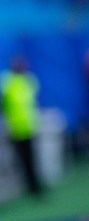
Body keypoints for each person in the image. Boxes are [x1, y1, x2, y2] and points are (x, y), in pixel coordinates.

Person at [1, 55, 43, 196]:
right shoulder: (7, 82)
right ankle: (28, 187)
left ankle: (35, 186)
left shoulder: (29, 80)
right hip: (15, 129)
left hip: (30, 127)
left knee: (33, 158)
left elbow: (33, 103)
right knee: (22, 160)